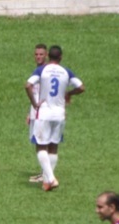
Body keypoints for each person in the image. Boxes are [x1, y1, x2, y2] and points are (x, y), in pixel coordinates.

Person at [25, 45, 85, 191]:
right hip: (59, 114)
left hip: (44, 113)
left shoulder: (42, 70)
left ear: (48, 56)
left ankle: (51, 178)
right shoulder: (66, 71)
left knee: (40, 146)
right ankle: (46, 182)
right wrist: (69, 93)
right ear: (60, 57)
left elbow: (27, 85)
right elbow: (81, 87)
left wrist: (34, 104)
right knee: (53, 146)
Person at [26, 43, 47, 183]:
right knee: (39, 143)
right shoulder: (37, 71)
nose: (38, 57)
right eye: (36, 54)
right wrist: (30, 112)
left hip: (42, 113)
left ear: (46, 55)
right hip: (36, 112)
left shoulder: (44, 72)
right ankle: (44, 173)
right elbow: (35, 93)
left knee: (42, 143)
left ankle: (46, 175)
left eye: (41, 54)